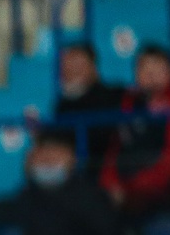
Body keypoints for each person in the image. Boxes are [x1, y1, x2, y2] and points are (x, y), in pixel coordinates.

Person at [100, 45, 170, 217]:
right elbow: (116, 149)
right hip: (126, 189)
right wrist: (110, 185)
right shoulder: (130, 103)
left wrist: (131, 190)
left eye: (157, 67)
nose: (151, 74)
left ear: (169, 72)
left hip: (166, 192)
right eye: (144, 68)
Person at [47, 42, 127, 170]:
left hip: (110, 166)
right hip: (71, 171)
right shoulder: (62, 105)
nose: (73, 70)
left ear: (93, 67)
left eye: (79, 65)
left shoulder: (115, 95)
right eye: (69, 65)